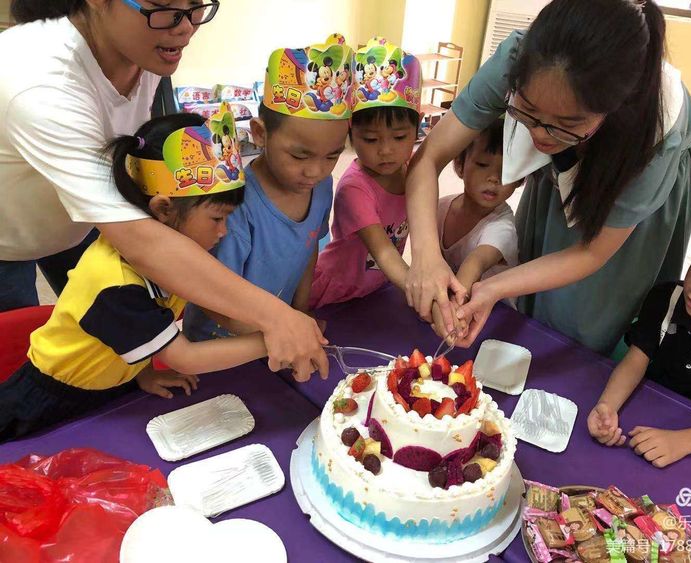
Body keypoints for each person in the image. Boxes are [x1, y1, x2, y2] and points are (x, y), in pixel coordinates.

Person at [0, 0, 327, 379]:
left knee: (104, 329)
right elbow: (142, 241)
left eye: (196, 6)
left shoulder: (142, 53)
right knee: (17, 352)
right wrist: (276, 317)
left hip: (75, 220)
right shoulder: (42, 84)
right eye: (165, 7)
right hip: (8, 240)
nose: (186, 27)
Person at [403, 0, 691, 355]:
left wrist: (494, 287)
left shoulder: (656, 127)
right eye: (527, 111)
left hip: (627, 191)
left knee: (592, 315)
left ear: (614, 109)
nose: (541, 137)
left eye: (567, 124)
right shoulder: (518, 58)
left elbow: (592, 253)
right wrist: (426, 256)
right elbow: (428, 157)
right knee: (535, 280)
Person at [0, 109, 274, 442]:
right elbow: (185, 358)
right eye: (217, 218)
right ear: (163, 209)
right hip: (47, 399)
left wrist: (142, 373)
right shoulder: (116, 285)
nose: (223, 231)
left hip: (114, 380)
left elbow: (144, 328)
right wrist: (270, 343)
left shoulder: (174, 257)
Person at [183, 35, 352, 345]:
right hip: (220, 344)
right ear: (260, 134)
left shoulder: (322, 187)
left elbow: (308, 249)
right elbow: (216, 298)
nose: (315, 172)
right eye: (299, 156)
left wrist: (300, 313)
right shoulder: (236, 207)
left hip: (275, 335)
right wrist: (282, 334)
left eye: (332, 156)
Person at [587, 212, 691, 467]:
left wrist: (683, 442)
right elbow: (636, 360)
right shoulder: (667, 298)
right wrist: (607, 406)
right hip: (644, 414)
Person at [310, 37, 421, 309]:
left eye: (399, 137)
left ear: (417, 129)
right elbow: (383, 252)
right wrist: (423, 294)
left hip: (377, 286)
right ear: (351, 134)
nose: (386, 151)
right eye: (371, 139)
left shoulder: (414, 171)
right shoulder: (354, 189)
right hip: (338, 290)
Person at [431, 115, 522, 337]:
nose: (495, 178)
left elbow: (475, 262)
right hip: (451, 312)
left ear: (521, 178)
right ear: (460, 165)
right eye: (482, 165)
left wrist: (453, 309)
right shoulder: (440, 207)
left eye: (508, 171)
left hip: (494, 321)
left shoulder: (503, 226)